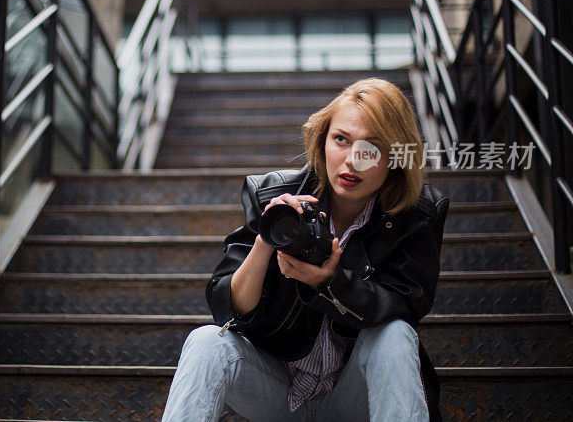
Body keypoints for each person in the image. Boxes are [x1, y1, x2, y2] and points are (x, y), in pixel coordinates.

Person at [161, 77, 451, 421]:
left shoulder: (415, 215)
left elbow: (406, 305)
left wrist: (329, 284)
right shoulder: (274, 196)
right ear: (323, 140)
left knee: (396, 333)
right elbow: (227, 309)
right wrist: (265, 242)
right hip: (276, 390)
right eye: (341, 139)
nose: (352, 161)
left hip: (354, 394)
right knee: (207, 341)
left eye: (372, 147)